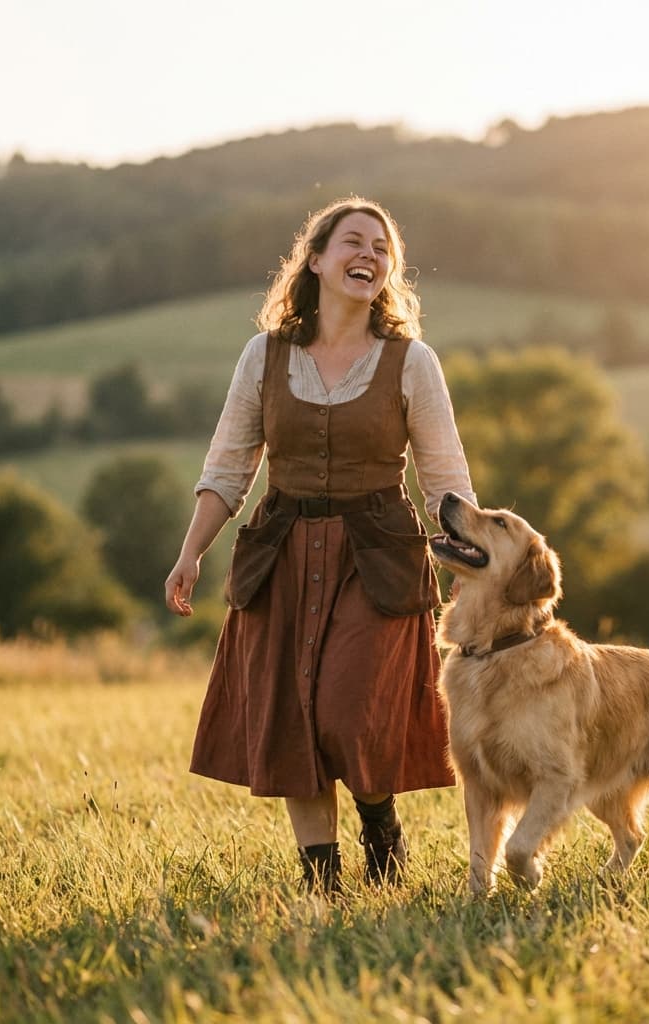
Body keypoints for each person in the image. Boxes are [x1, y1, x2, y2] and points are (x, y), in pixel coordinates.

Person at [164, 197, 476, 895]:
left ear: (389, 271)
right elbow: (229, 466)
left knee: (347, 710)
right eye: (354, 243)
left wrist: (473, 562)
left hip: (379, 557)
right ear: (316, 259)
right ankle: (321, 882)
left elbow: (446, 474)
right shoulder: (265, 355)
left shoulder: (410, 361)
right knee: (290, 721)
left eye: (382, 248)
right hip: (281, 553)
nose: (369, 255)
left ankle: (381, 826)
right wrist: (191, 553)